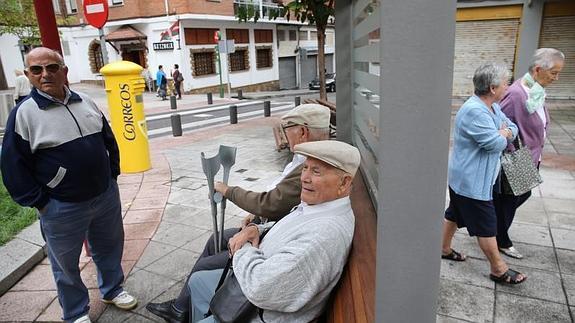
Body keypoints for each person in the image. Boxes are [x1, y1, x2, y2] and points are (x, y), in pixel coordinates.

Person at [145, 103, 331, 322]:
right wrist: (257, 222)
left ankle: (184, 309)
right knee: (217, 238)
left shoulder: (309, 166)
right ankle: (181, 308)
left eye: (287, 127)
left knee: (204, 268)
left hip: (268, 249)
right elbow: (281, 203)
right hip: (270, 231)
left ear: (302, 132)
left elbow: (272, 203)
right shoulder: (305, 161)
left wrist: (231, 194)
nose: (284, 133)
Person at [1, 47, 137, 323]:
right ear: (28, 75)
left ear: (64, 71)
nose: (45, 74)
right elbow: (13, 166)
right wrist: (40, 202)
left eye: (51, 67)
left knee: (110, 247)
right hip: (61, 206)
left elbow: (107, 139)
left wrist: (112, 174)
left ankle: (112, 289)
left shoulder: (85, 101)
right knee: (65, 264)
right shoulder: (23, 114)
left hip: (104, 196)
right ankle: (76, 312)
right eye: (36, 70)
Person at [188, 140, 359, 322]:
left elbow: (261, 288)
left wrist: (243, 247)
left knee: (200, 282)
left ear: (344, 182)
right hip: (251, 288)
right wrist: (257, 229)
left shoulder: (324, 234)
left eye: (316, 171)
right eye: (305, 168)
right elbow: (291, 229)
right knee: (196, 281)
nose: (304, 178)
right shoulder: (320, 206)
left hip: (256, 311)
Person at [440, 63, 527, 285]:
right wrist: (503, 133)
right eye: (506, 83)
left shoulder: (492, 107)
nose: (508, 87)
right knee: (487, 225)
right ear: (492, 87)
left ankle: (443, 248)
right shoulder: (474, 110)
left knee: (454, 214)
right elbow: (494, 143)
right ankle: (498, 269)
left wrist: (504, 131)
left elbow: (512, 126)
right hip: (472, 181)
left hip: (468, 178)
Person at [494, 48, 565, 259]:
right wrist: (511, 153)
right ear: (537, 69)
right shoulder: (516, 93)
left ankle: (493, 228)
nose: (556, 78)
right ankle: (501, 239)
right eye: (553, 73)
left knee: (518, 195)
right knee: (511, 198)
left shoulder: (535, 90)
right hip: (518, 156)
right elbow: (499, 122)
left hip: (532, 155)